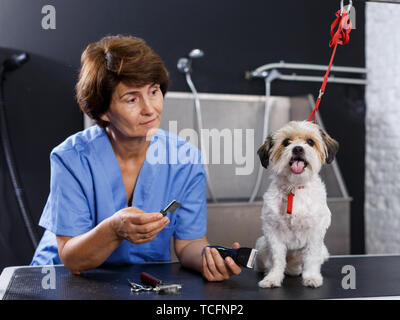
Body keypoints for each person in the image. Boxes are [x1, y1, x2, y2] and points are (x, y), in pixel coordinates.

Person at [31, 35, 242, 281]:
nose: (150, 108)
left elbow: (189, 244)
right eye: (132, 99)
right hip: (60, 279)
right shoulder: (71, 159)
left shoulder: (185, 159)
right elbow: (73, 260)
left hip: (139, 280)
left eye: (153, 91)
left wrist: (211, 259)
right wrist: (114, 229)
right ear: (103, 110)